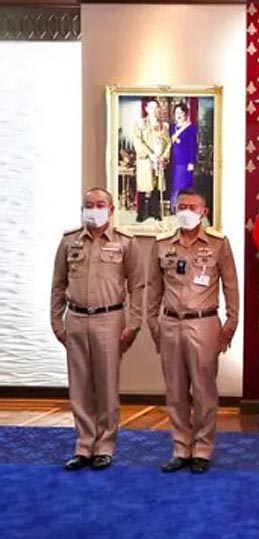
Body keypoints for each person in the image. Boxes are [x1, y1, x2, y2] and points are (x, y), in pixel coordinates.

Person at [146, 188, 239, 474]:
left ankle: (202, 449)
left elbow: (231, 287)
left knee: (203, 390)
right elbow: (153, 289)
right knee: (175, 391)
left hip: (204, 323)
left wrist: (230, 323)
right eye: (182, 206)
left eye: (192, 207)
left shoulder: (218, 244)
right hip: (170, 323)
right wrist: (154, 324)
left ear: (204, 212)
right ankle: (180, 448)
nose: (186, 211)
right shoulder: (162, 244)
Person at [51, 188, 144, 471]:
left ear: (111, 210)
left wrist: (134, 323)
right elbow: (58, 285)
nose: (94, 209)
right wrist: (56, 322)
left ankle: (105, 446)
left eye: (100, 204)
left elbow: (138, 286)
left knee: (106, 385)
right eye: (88, 205)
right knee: (79, 386)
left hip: (109, 320)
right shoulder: (69, 241)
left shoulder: (125, 242)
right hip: (76, 319)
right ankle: (83, 445)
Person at [133, 98, 171, 222]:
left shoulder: (164, 125)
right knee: (145, 186)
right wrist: (150, 154)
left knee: (157, 186)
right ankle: (142, 213)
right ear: (147, 109)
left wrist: (163, 156)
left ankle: (155, 211)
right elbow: (138, 141)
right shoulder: (140, 124)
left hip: (159, 159)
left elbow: (168, 143)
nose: (154, 110)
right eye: (152, 108)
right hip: (146, 159)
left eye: (156, 108)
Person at [168, 103, 198, 215]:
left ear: (186, 114)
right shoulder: (172, 128)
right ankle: (174, 208)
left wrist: (191, 162)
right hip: (173, 162)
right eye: (177, 113)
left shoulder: (191, 128)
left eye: (181, 112)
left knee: (183, 186)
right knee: (173, 185)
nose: (179, 115)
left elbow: (193, 146)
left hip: (184, 163)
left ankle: (182, 209)